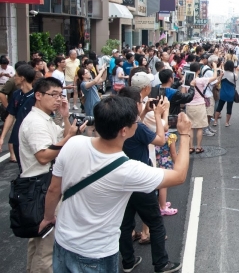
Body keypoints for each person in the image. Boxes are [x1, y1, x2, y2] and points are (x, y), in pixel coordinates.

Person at [38, 96, 189, 273]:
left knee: (126, 224)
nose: (137, 123)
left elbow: (54, 189)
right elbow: (179, 176)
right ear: (124, 130)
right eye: (135, 121)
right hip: (96, 254)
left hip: (62, 242)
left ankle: (129, 261)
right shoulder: (128, 170)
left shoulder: (73, 143)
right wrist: (184, 134)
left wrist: (48, 218)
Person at [19, 78, 83, 273]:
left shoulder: (44, 118)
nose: (58, 99)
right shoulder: (36, 123)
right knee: (47, 246)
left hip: (36, 186)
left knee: (38, 241)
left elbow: (60, 137)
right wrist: (70, 136)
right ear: (38, 95)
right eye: (53, 95)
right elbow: (44, 156)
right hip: (41, 186)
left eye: (60, 94)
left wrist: (65, 117)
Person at [117, 87, 182, 272]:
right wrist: (160, 114)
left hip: (121, 179)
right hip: (140, 179)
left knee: (125, 223)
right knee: (155, 223)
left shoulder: (116, 122)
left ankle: (128, 261)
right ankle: (161, 264)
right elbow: (161, 139)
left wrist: (146, 111)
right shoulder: (137, 128)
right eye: (140, 102)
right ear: (135, 104)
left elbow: (139, 118)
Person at [0, 64, 37, 165]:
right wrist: (2, 137)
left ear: (22, 78)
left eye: (16, 75)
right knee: (21, 168)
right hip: (17, 137)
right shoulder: (16, 94)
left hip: (32, 138)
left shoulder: (37, 97)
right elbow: (11, 116)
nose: (14, 78)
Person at [188, 62, 220, 153]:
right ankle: (198, 147)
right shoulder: (200, 80)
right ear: (199, 70)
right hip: (199, 105)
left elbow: (183, 92)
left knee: (190, 127)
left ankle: (191, 147)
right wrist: (215, 67)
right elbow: (214, 78)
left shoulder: (186, 80)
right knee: (199, 127)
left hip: (189, 105)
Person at [214, 60, 237, 127]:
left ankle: (215, 121)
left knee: (219, 107)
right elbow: (236, 80)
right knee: (229, 108)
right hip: (231, 94)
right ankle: (227, 122)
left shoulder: (222, 73)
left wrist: (221, 76)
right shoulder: (234, 75)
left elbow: (217, 83)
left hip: (223, 93)